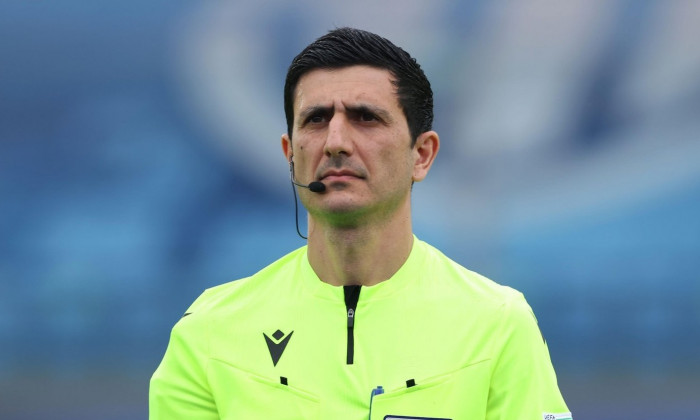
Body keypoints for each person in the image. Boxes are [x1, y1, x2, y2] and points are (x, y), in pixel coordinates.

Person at [150, 27, 572, 420]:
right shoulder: (209, 332)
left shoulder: (498, 324)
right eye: (316, 119)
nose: (335, 141)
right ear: (289, 154)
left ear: (421, 155)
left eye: (365, 117)